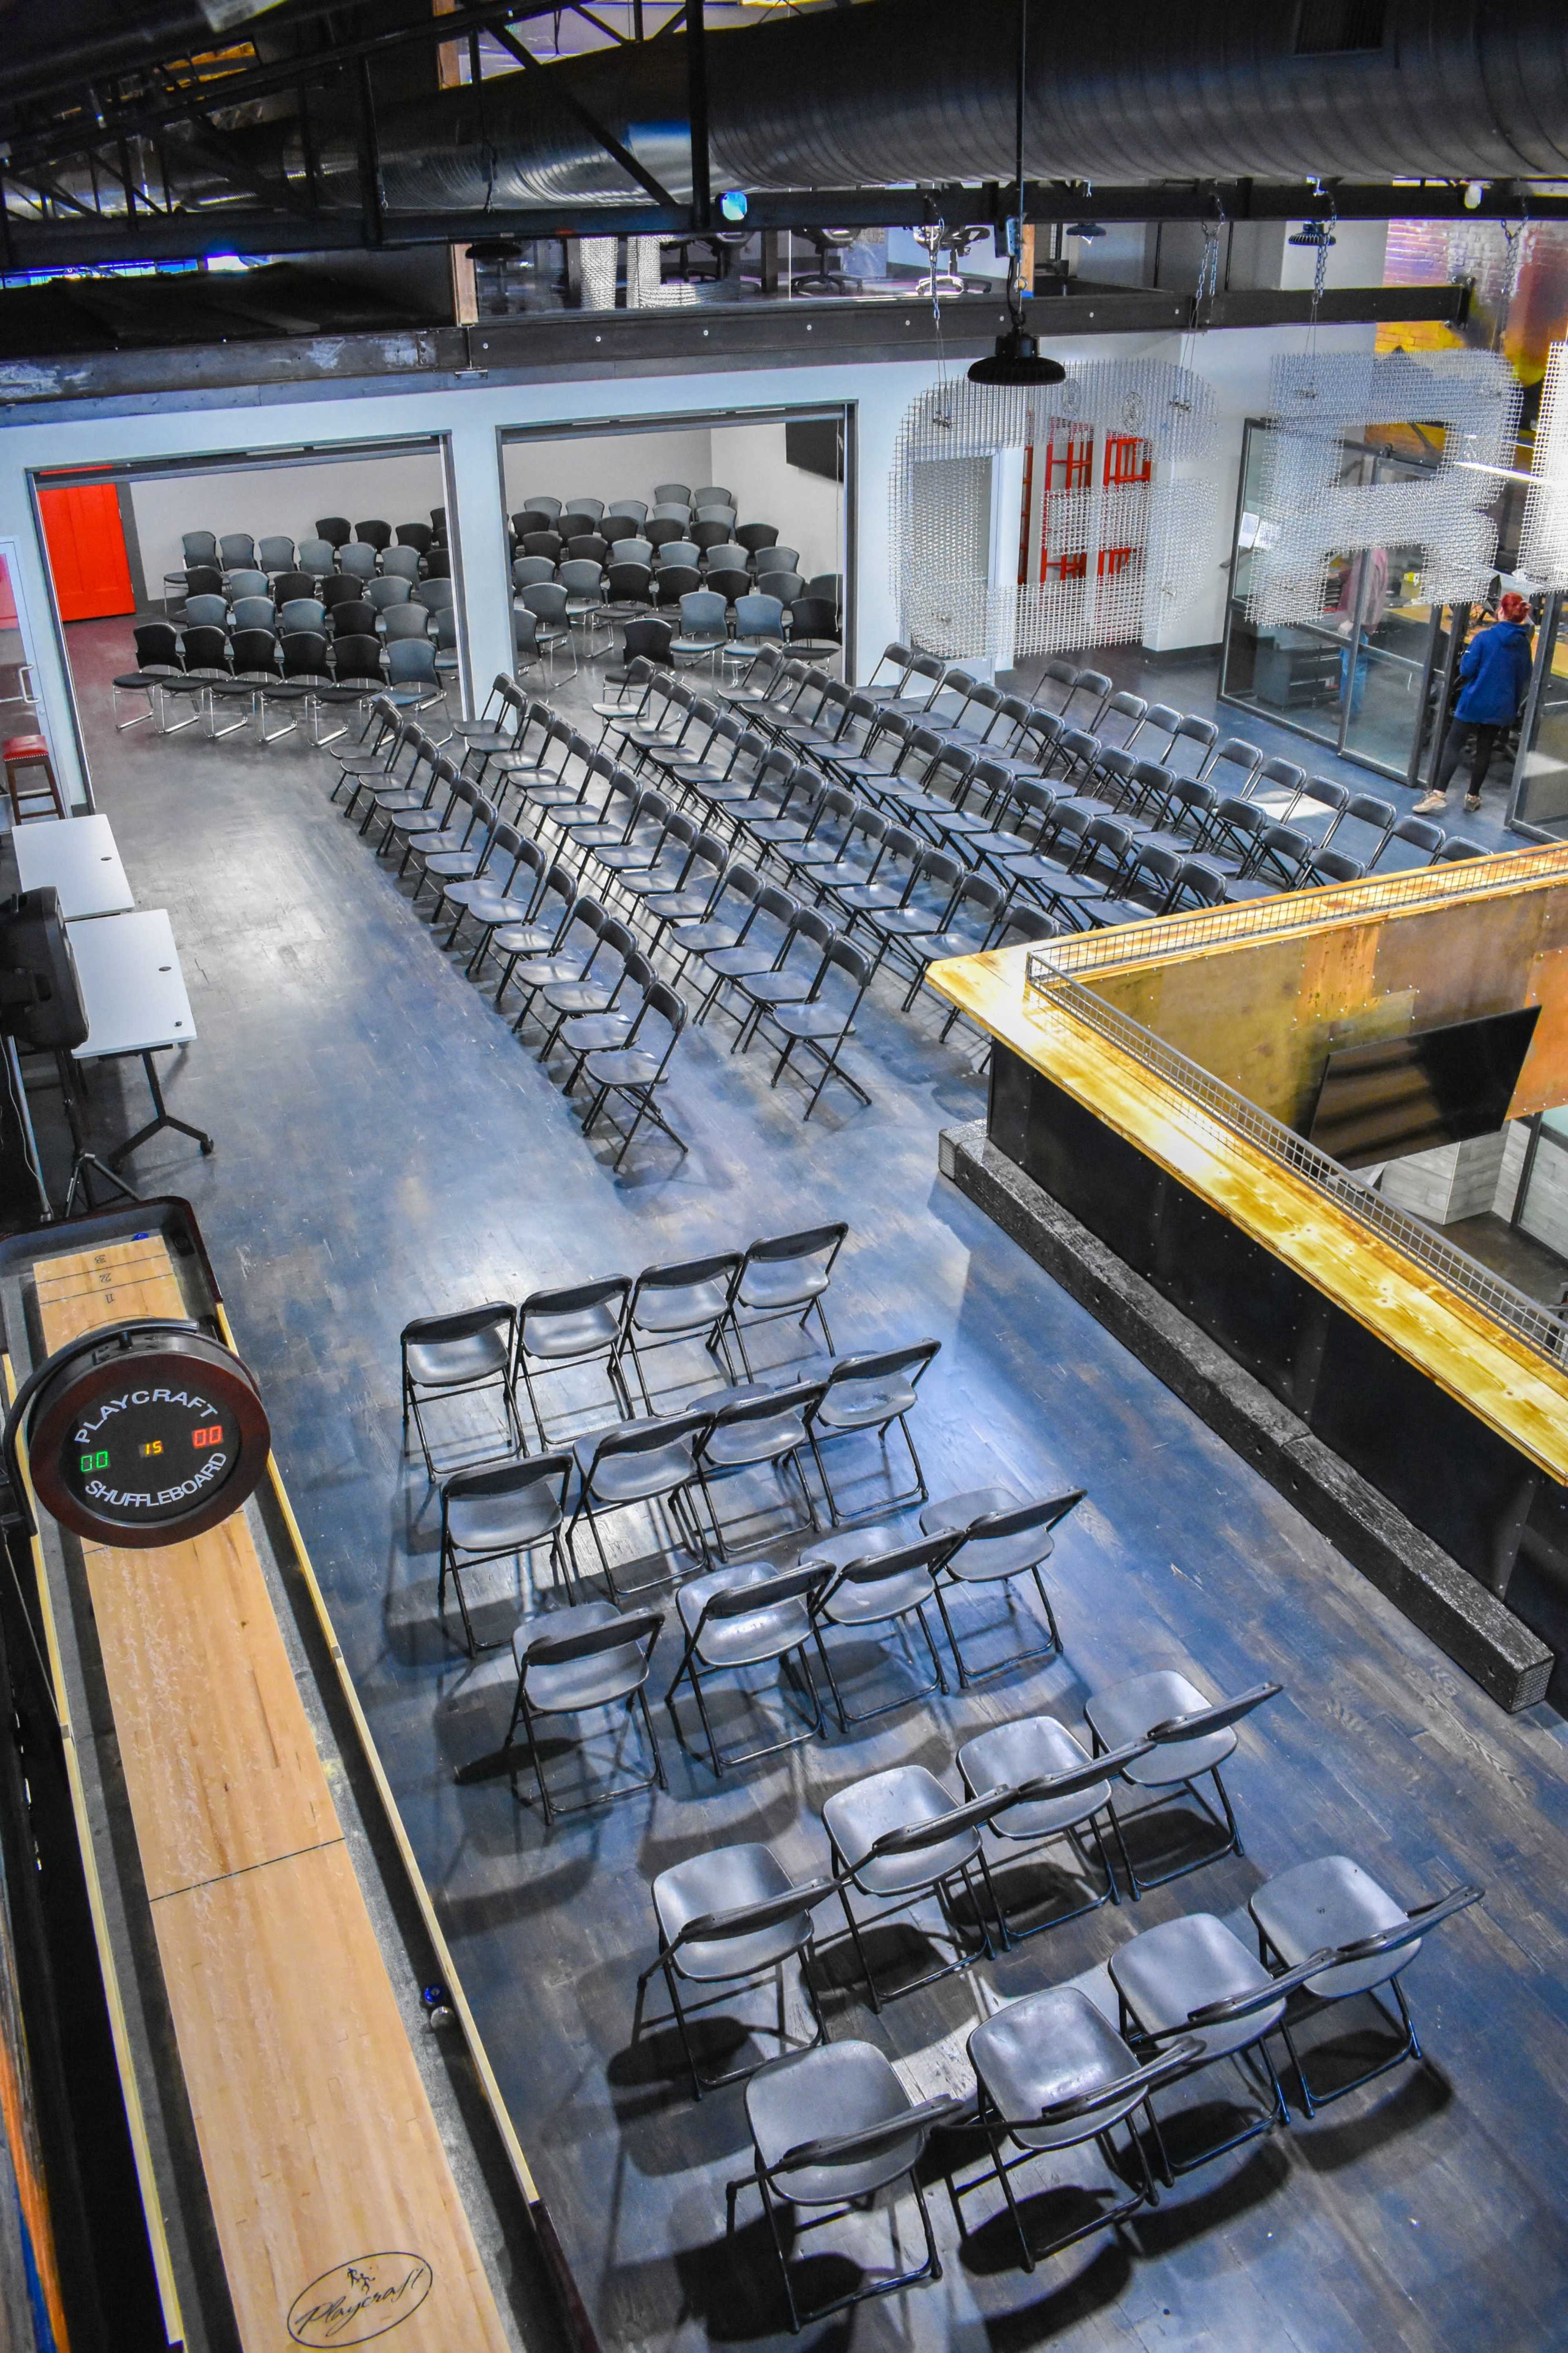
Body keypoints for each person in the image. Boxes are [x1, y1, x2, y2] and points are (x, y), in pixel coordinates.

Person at [1416, 592, 1535, 816]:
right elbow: (1526, 674)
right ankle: (1472, 797)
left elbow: (1466, 669)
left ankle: (1438, 795)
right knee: (1485, 749)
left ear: (1500, 611)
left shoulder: (1484, 639)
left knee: (1454, 744)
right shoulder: (1523, 645)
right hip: (1501, 707)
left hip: (1474, 702)